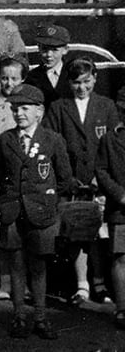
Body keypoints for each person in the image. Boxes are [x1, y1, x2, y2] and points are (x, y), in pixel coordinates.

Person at [0, 84, 74, 340]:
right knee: (16, 265)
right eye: (15, 108)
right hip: (12, 212)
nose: (19, 113)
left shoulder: (52, 139)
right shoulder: (5, 139)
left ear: (39, 111)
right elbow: (2, 176)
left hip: (42, 213)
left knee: (39, 266)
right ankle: (19, 316)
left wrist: (46, 202)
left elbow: (64, 179)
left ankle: (40, 317)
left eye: (25, 108)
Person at [44, 57, 117, 305]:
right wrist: (68, 178)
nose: (82, 87)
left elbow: (113, 146)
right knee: (76, 233)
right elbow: (53, 144)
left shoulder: (106, 106)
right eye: (76, 83)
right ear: (69, 82)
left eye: (87, 81)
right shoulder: (58, 107)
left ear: (95, 78)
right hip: (71, 180)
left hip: (100, 181)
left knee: (98, 234)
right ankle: (82, 285)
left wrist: (101, 177)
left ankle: (100, 282)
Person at [0, 54, 29, 301]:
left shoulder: (30, 104)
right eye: (4, 78)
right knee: (2, 230)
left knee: (23, 230)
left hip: (25, 175)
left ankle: (25, 284)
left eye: (14, 78)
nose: (9, 83)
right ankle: (5, 282)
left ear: (22, 79)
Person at [94, 87, 125, 330]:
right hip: (120, 209)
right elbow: (101, 170)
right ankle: (122, 309)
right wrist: (120, 195)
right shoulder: (110, 139)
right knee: (120, 258)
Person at [25, 24, 72, 111]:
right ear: (39, 48)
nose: (49, 55)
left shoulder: (73, 72)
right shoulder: (32, 77)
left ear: (65, 49)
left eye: (55, 50)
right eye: (45, 49)